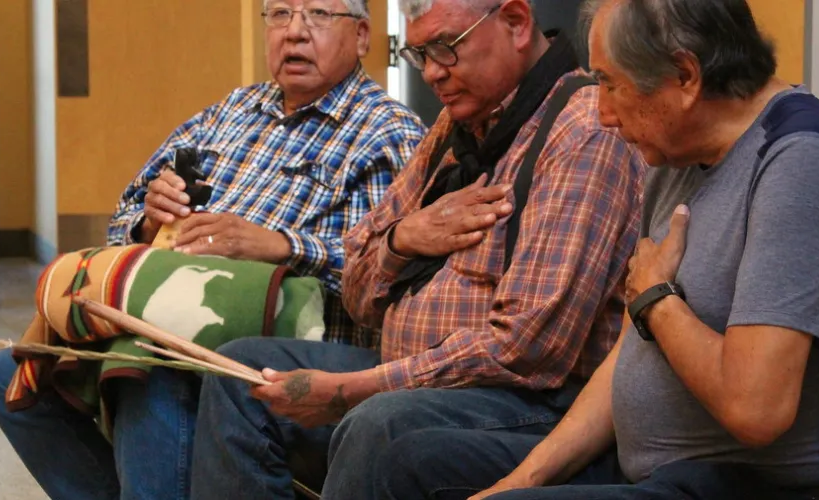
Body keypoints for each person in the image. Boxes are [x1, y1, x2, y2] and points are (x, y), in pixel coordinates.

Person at [373, 0, 819, 499]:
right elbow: (631, 356)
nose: (602, 113)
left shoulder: (804, 163)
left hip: (759, 485)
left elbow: (755, 409)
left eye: (610, 84)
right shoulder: (676, 160)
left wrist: (656, 297)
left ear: (685, 76)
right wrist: (521, 480)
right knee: (407, 459)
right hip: (654, 470)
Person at [187, 0, 645, 498]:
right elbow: (359, 294)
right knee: (237, 375)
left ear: (515, 22)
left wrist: (354, 390)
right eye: (419, 53)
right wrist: (403, 240)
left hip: (533, 402)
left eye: (446, 48)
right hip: (412, 374)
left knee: (378, 424)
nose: (430, 73)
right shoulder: (453, 128)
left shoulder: (582, 130)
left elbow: (528, 350)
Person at [0, 0, 425, 498]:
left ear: (363, 35)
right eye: (279, 14)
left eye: (318, 14)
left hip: (287, 346)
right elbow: (122, 220)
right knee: (12, 374)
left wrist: (282, 247)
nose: (295, 33)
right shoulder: (231, 111)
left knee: (151, 366)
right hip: (172, 315)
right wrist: (149, 220)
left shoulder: (387, 133)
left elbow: (397, 277)